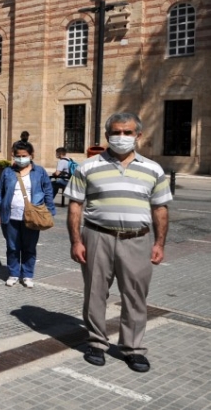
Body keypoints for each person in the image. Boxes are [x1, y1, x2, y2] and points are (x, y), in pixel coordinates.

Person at [65, 112, 171, 373]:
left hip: (137, 240)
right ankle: (96, 342)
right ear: (106, 135)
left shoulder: (153, 169)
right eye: (116, 132)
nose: (121, 137)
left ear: (138, 135)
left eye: (127, 132)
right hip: (97, 236)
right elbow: (75, 205)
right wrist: (76, 241)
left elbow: (160, 209)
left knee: (135, 296)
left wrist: (159, 243)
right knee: (95, 292)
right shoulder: (88, 166)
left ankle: (132, 349)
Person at [0, 140, 56, 288]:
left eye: (24, 155)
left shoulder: (39, 171)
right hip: (10, 216)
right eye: (18, 155)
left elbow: (48, 191)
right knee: (12, 247)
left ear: (31, 155)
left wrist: (50, 210)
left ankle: (27, 275)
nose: (21, 158)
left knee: (29, 247)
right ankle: (14, 273)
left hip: (32, 216)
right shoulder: (7, 172)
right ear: (13, 156)